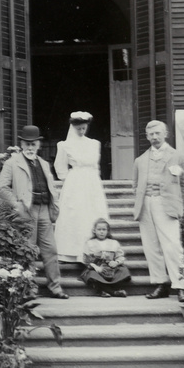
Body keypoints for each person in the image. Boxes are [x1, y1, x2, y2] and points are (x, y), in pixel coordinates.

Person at [0, 125, 69, 299]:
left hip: (44, 209)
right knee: (27, 251)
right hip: (26, 211)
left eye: (33, 144)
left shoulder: (44, 164)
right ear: (22, 144)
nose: (30, 147)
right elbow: (2, 188)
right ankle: (28, 289)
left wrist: (55, 205)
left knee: (50, 250)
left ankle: (55, 287)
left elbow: (51, 187)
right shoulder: (12, 163)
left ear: (38, 145)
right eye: (27, 144)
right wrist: (16, 205)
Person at [132, 120, 184, 301]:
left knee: (172, 246)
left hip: (166, 205)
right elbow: (135, 185)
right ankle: (160, 283)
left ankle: (181, 285)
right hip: (145, 204)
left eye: (158, 133)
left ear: (165, 134)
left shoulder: (177, 156)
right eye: (151, 134)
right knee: (151, 247)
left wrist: (180, 206)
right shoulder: (140, 160)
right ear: (147, 136)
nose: (154, 137)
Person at [54, 111, 109, 262]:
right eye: (78, 128)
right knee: (75, 214)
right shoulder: (65, 145)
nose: (81, 131)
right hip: (75, 182)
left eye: (84, 128)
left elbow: (96, 166)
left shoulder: (94, 144)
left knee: (92, 213)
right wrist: (71, 180)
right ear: (73, 127)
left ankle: (94, 251)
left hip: (92, 182)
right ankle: (71, 252)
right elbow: (60, 167)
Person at [80, 218, 131, 298]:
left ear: (108, 231)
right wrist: (95, 267)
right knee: (91, 274)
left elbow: (120, 256)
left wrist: (116, 262)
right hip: (97, 269)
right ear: (94, 230)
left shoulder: (114, 243)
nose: (101, 231)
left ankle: (103, 291)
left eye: (104, 229)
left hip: (111, 269)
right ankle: (113, 292)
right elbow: (86, 259)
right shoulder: (89, 243)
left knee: (124, 271)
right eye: (99, 229)